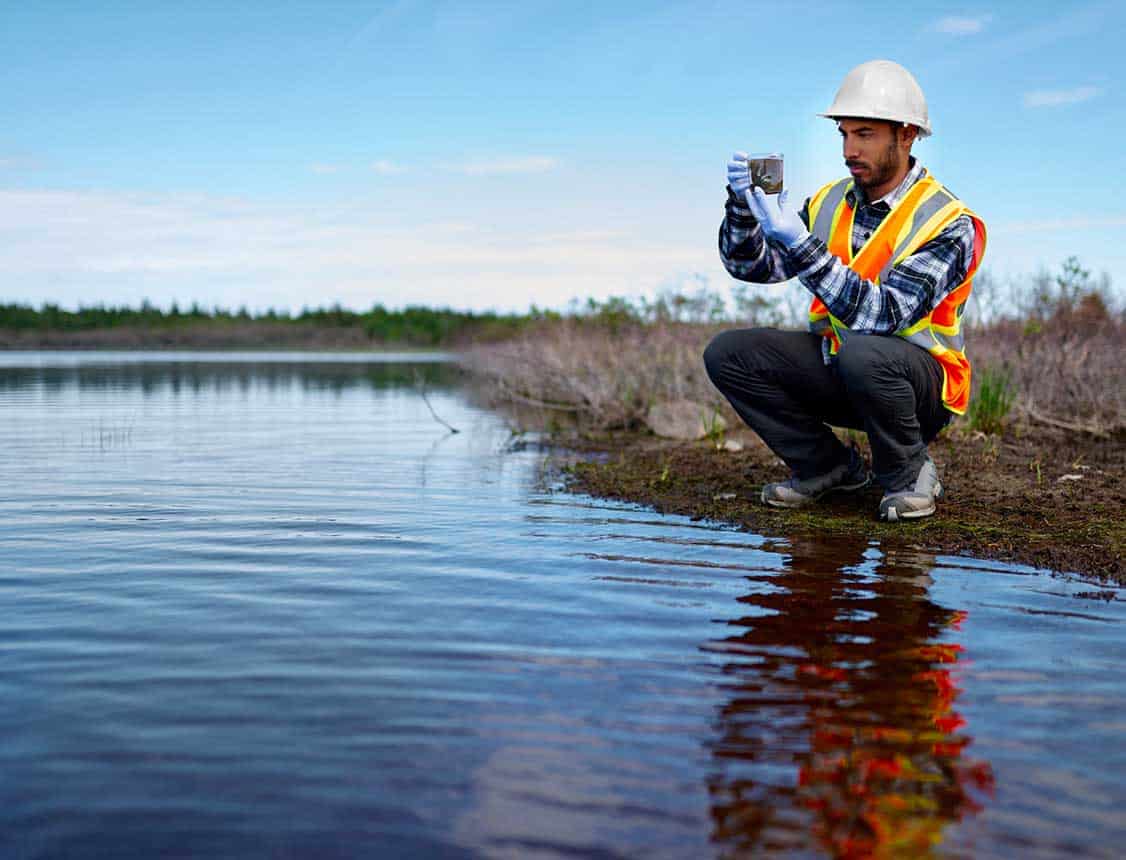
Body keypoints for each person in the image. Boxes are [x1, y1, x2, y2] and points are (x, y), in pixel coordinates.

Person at [704, 59, 986, 522]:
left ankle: (908, 474)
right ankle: (827, 468)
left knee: (866, 351)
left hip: (917, 389)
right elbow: (750, 266)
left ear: (907, 134)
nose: (849, 149)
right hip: (843, 368)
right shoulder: (830, 201)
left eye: (866, 134)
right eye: (844, 134)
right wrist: (742, 208)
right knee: (728, 353)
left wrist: (799, 243)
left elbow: (885, 314)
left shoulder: (949, 222)